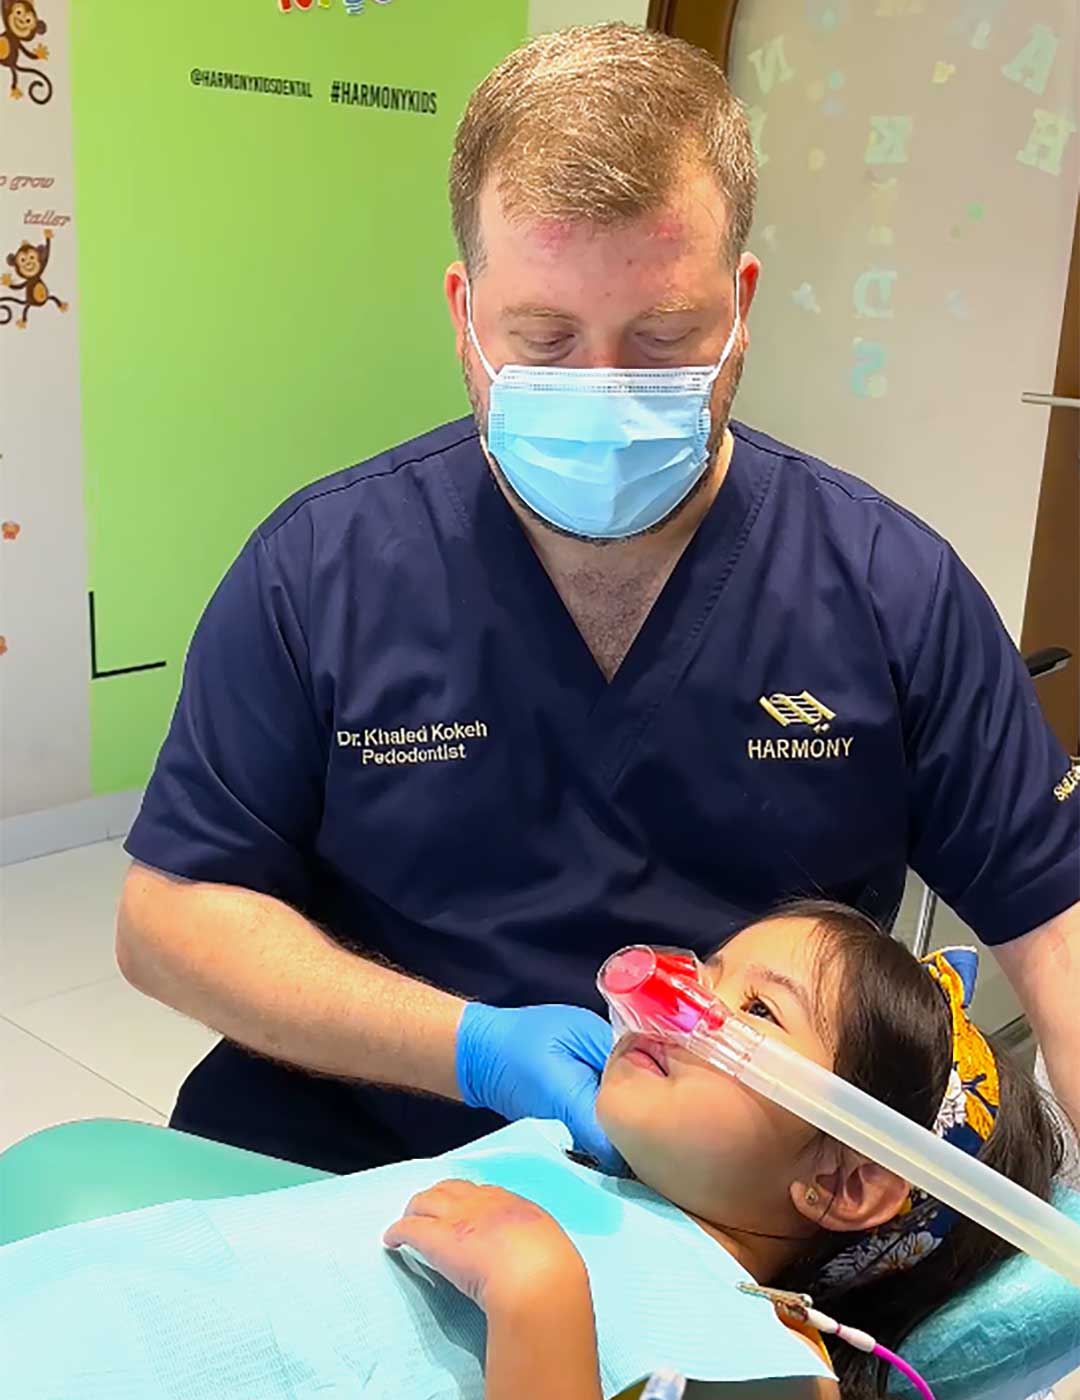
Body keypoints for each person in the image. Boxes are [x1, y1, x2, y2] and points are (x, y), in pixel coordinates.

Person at [116, 23, 1080, 1176]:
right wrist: (466, 1048)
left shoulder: (890, 594)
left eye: (666, 337)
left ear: (742, 304)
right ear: (466, 314)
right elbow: (168, 920)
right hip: (349, 1165)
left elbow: (1057, 920)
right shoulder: (318, 574)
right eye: (545, 337)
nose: (607, 390)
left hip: (725, 1212)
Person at [2, 904, 1063, 1400]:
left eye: (752, 1009)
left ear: (845, 1178)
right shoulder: (565, 1157)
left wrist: (541, 1300)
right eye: (711, 962)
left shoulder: (773, 1363)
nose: (677, 992)